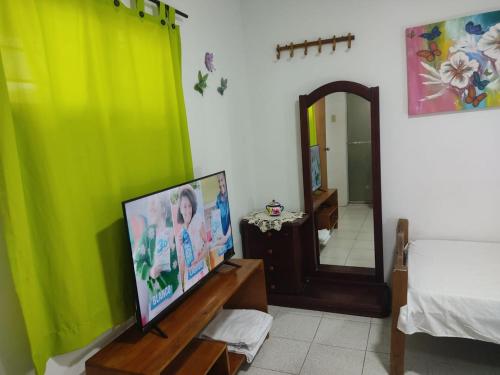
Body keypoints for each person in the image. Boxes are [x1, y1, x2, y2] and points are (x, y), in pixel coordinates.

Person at [133, 194, 182, 323]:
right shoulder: (147, 234)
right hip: (157, 299)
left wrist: (175, 245)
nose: (150, 206)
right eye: (149, 204)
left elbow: (184, 256)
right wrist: (150, 271)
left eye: (154, 202)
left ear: (164, 209)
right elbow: (137, 263)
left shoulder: (174, 228)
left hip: (176, 290)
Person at [176, 186, 209, 290]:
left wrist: (198, 259)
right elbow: (181, 264)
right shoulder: (180, 234)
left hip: (201, 272)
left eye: (189, 206)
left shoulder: (198, 220)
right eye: (184, 207)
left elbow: (207, 244)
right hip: (189, 280)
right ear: (180, 209)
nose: (187, 210)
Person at [214, 174, 233, 252]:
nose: (220, 183)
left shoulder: (230, 195)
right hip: (223, 239)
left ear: (226, 179)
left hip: (230, 237)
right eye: (218, 181)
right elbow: (217, 219)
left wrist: (227, 236)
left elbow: (231, 219)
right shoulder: (218, 198)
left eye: (222, 180)